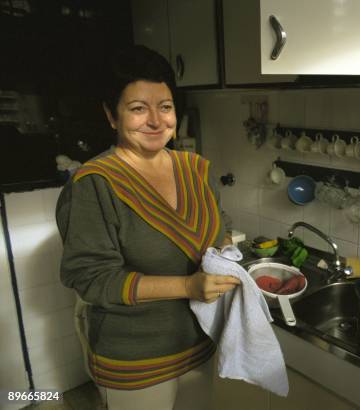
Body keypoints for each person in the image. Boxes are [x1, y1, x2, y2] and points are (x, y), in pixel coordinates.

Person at [55, 45, 241, 410]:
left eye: (166, 107)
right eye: (138, 109)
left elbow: (221, 227)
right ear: (111, 115)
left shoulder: (196, 169)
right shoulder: (95, 183)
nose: (157, 121)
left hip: (200, 346)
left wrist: (226, 253)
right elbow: (90, 277)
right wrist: (188, 285)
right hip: (134, 362)